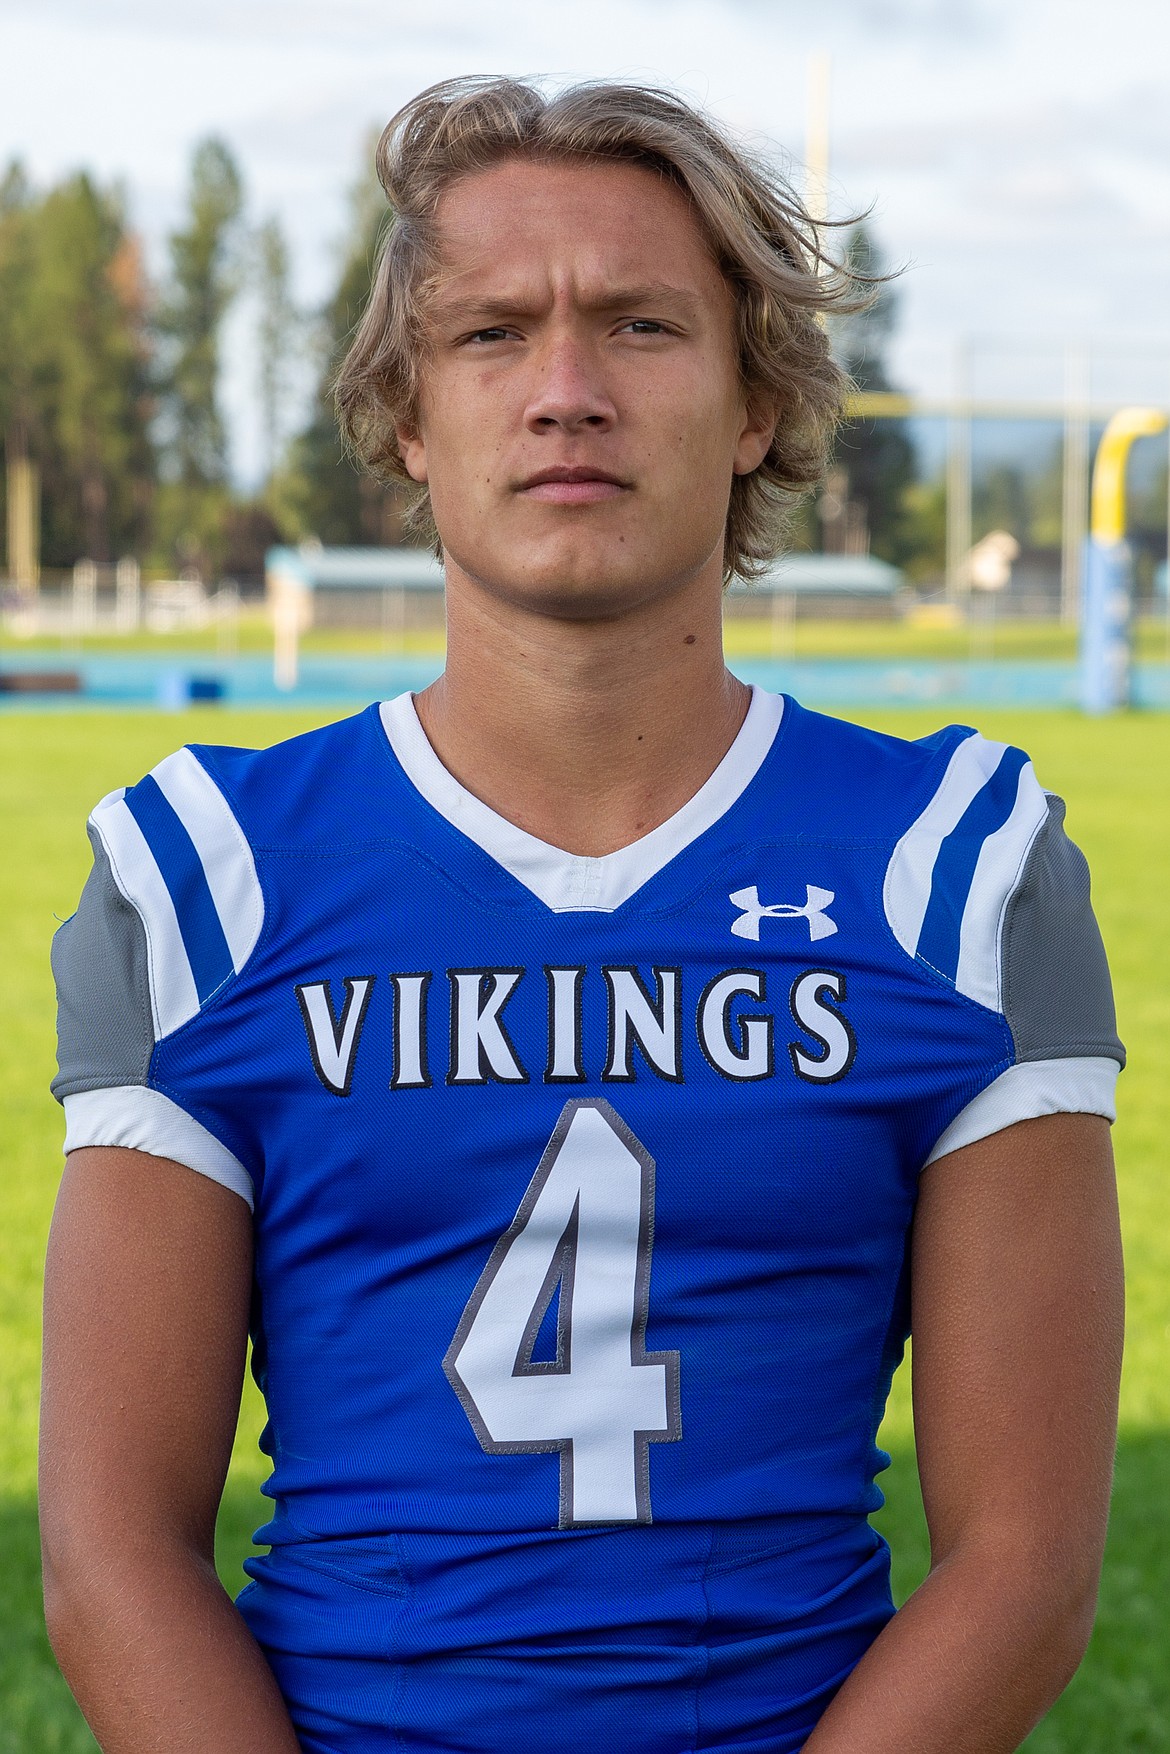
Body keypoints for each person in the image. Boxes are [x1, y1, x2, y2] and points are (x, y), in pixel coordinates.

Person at [40, 76, 1125, 1754]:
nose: (563, 393)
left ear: (755, 402)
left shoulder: (952, 868)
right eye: (489, 335)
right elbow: (111, 1550)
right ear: (406, 415)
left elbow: (1028, 1558)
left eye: (638, 326)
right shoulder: (211, 876)